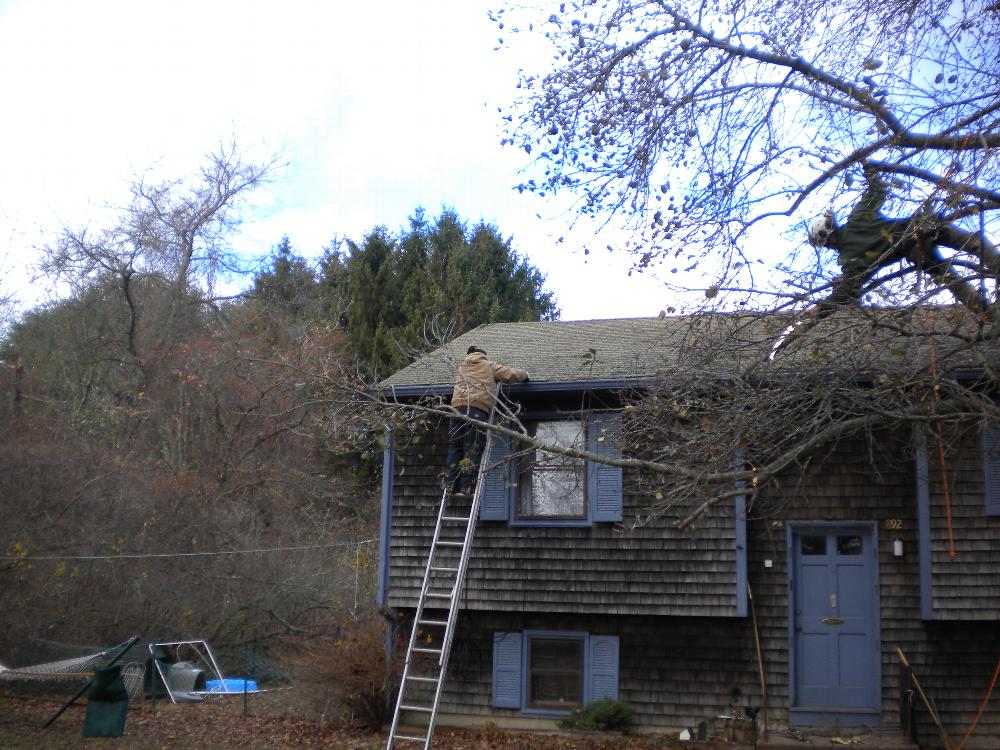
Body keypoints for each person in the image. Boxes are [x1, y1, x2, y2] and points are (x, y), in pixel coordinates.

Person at [445, 345, 529, 497]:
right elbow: (510, 374)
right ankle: (466, 486)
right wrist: (525, 375)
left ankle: (451, 484)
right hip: (476, 410)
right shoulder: (488, 365)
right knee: (473, 447)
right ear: (483, 355)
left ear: (468, 355)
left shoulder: (461, 368)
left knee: (455, 447)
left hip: (456, 410)